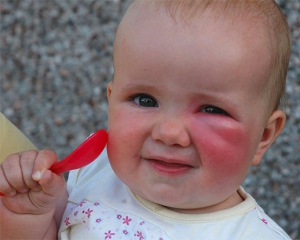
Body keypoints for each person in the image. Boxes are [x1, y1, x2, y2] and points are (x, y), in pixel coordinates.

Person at [0, 0, 292, 239]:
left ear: (263, 136)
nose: (169, 132)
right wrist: (28, 215)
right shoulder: (97, 173)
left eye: (211, 110)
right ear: (111, 100)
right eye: (145, 100)